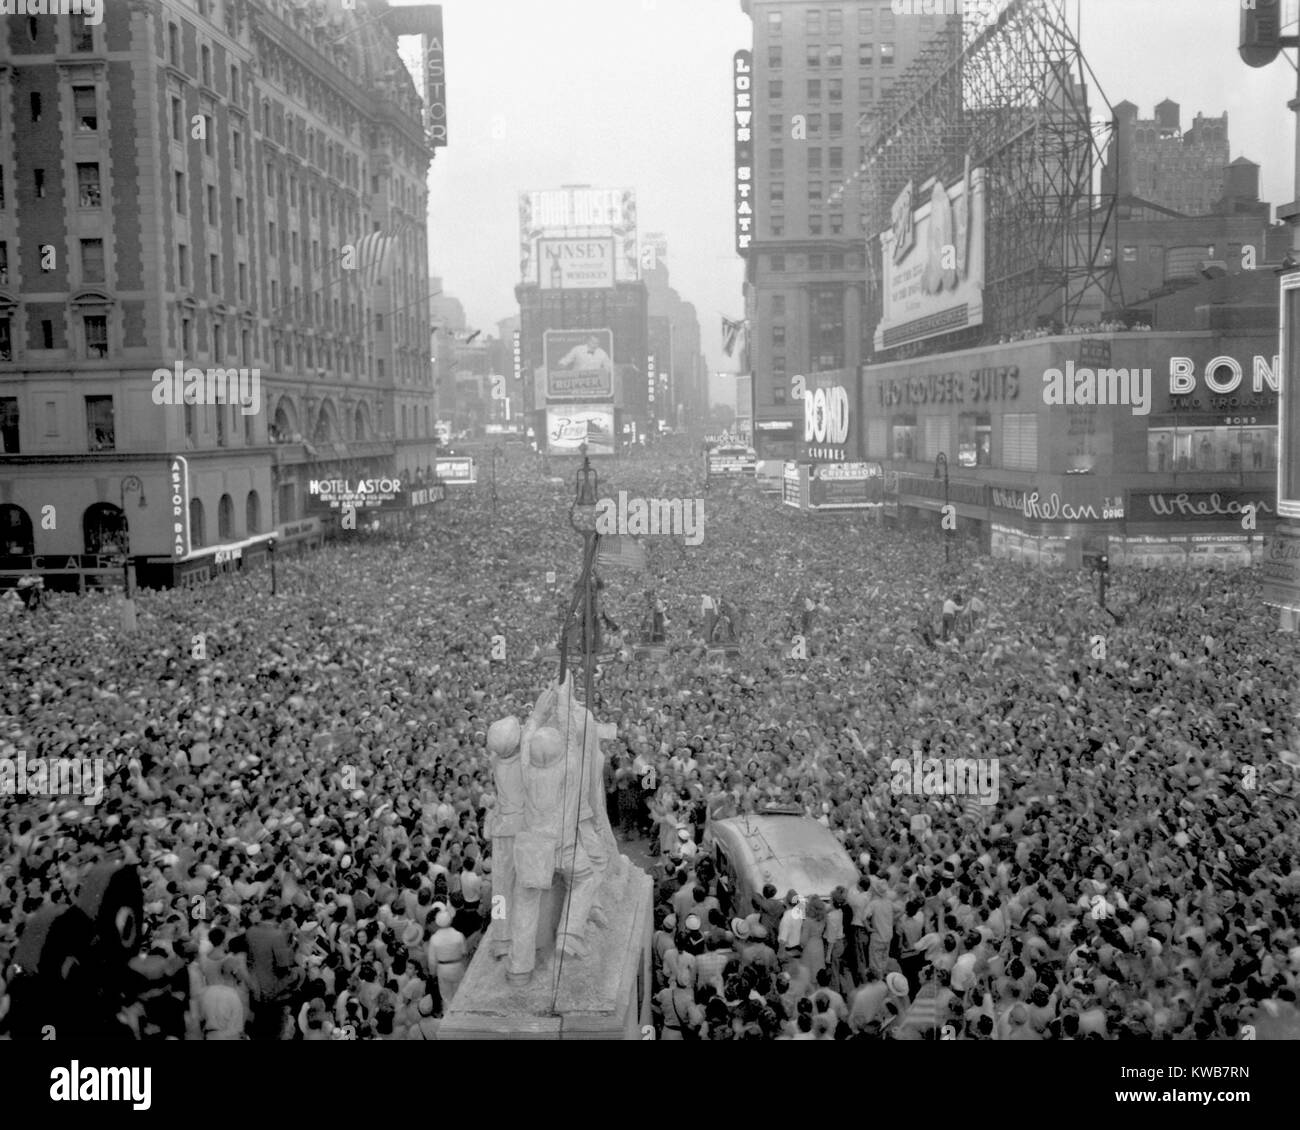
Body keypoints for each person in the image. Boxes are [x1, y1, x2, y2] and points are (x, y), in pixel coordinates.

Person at [427, 910, 467, 1009]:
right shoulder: (459, 935)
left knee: (446, 997)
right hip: (458, 966)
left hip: (443, 969)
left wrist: (433, 973)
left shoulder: (434, 939)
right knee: (460, 993)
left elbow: (432, 960)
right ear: (450, 920)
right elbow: (464, 952)